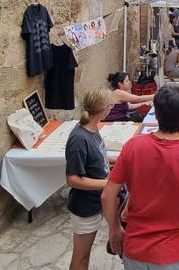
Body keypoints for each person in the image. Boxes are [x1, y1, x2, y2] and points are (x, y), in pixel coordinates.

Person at [102, 83, 179, 269]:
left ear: (155, 113)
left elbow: (107, 195)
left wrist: (115, 228)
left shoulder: (133, 147)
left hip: (135, 251)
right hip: (174, 253)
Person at [66, 87, 115, 270]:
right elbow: (72, 179)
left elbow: (97, 157)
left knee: (85, 254)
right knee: (81, 257)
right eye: (110, 105)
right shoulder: (79, 139)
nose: (111, 108)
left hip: (95, 202)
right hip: (85, 206)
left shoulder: (93, 129)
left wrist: (118, 161)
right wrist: (108, 184)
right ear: (103, 108)